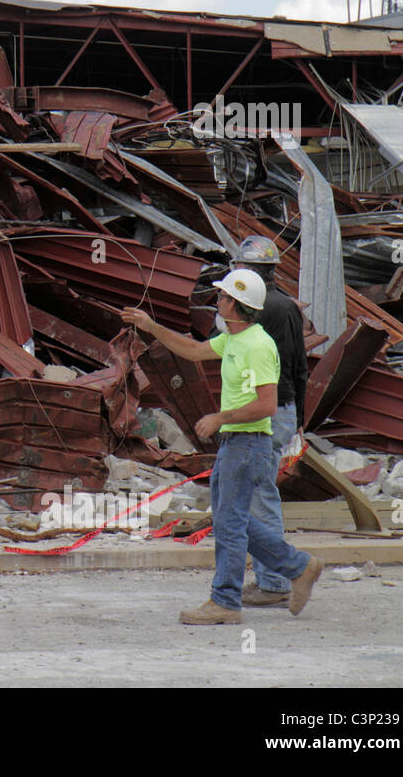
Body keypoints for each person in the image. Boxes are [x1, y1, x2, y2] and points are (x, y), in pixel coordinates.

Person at [121, 268, 322, 625]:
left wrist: (219, 418)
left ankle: (226, 601)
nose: (217, 300)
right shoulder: (233, 338)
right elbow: (194, 351)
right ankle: (298, 566)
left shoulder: (258, 346)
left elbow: (267, 405)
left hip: (247, 443)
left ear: (236, 304)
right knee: (231, 519)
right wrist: (151, 327)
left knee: (229, 523)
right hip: (239, 445)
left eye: (223, 296)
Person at [232, 235, 306, 607]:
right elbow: (300, 365)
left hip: (267, 411)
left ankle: (276, 581)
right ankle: (272, 575)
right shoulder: (288, 307)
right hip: (282, 409)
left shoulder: (256, 310)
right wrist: (301, 417)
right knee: (256, 494)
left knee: (259, 496)